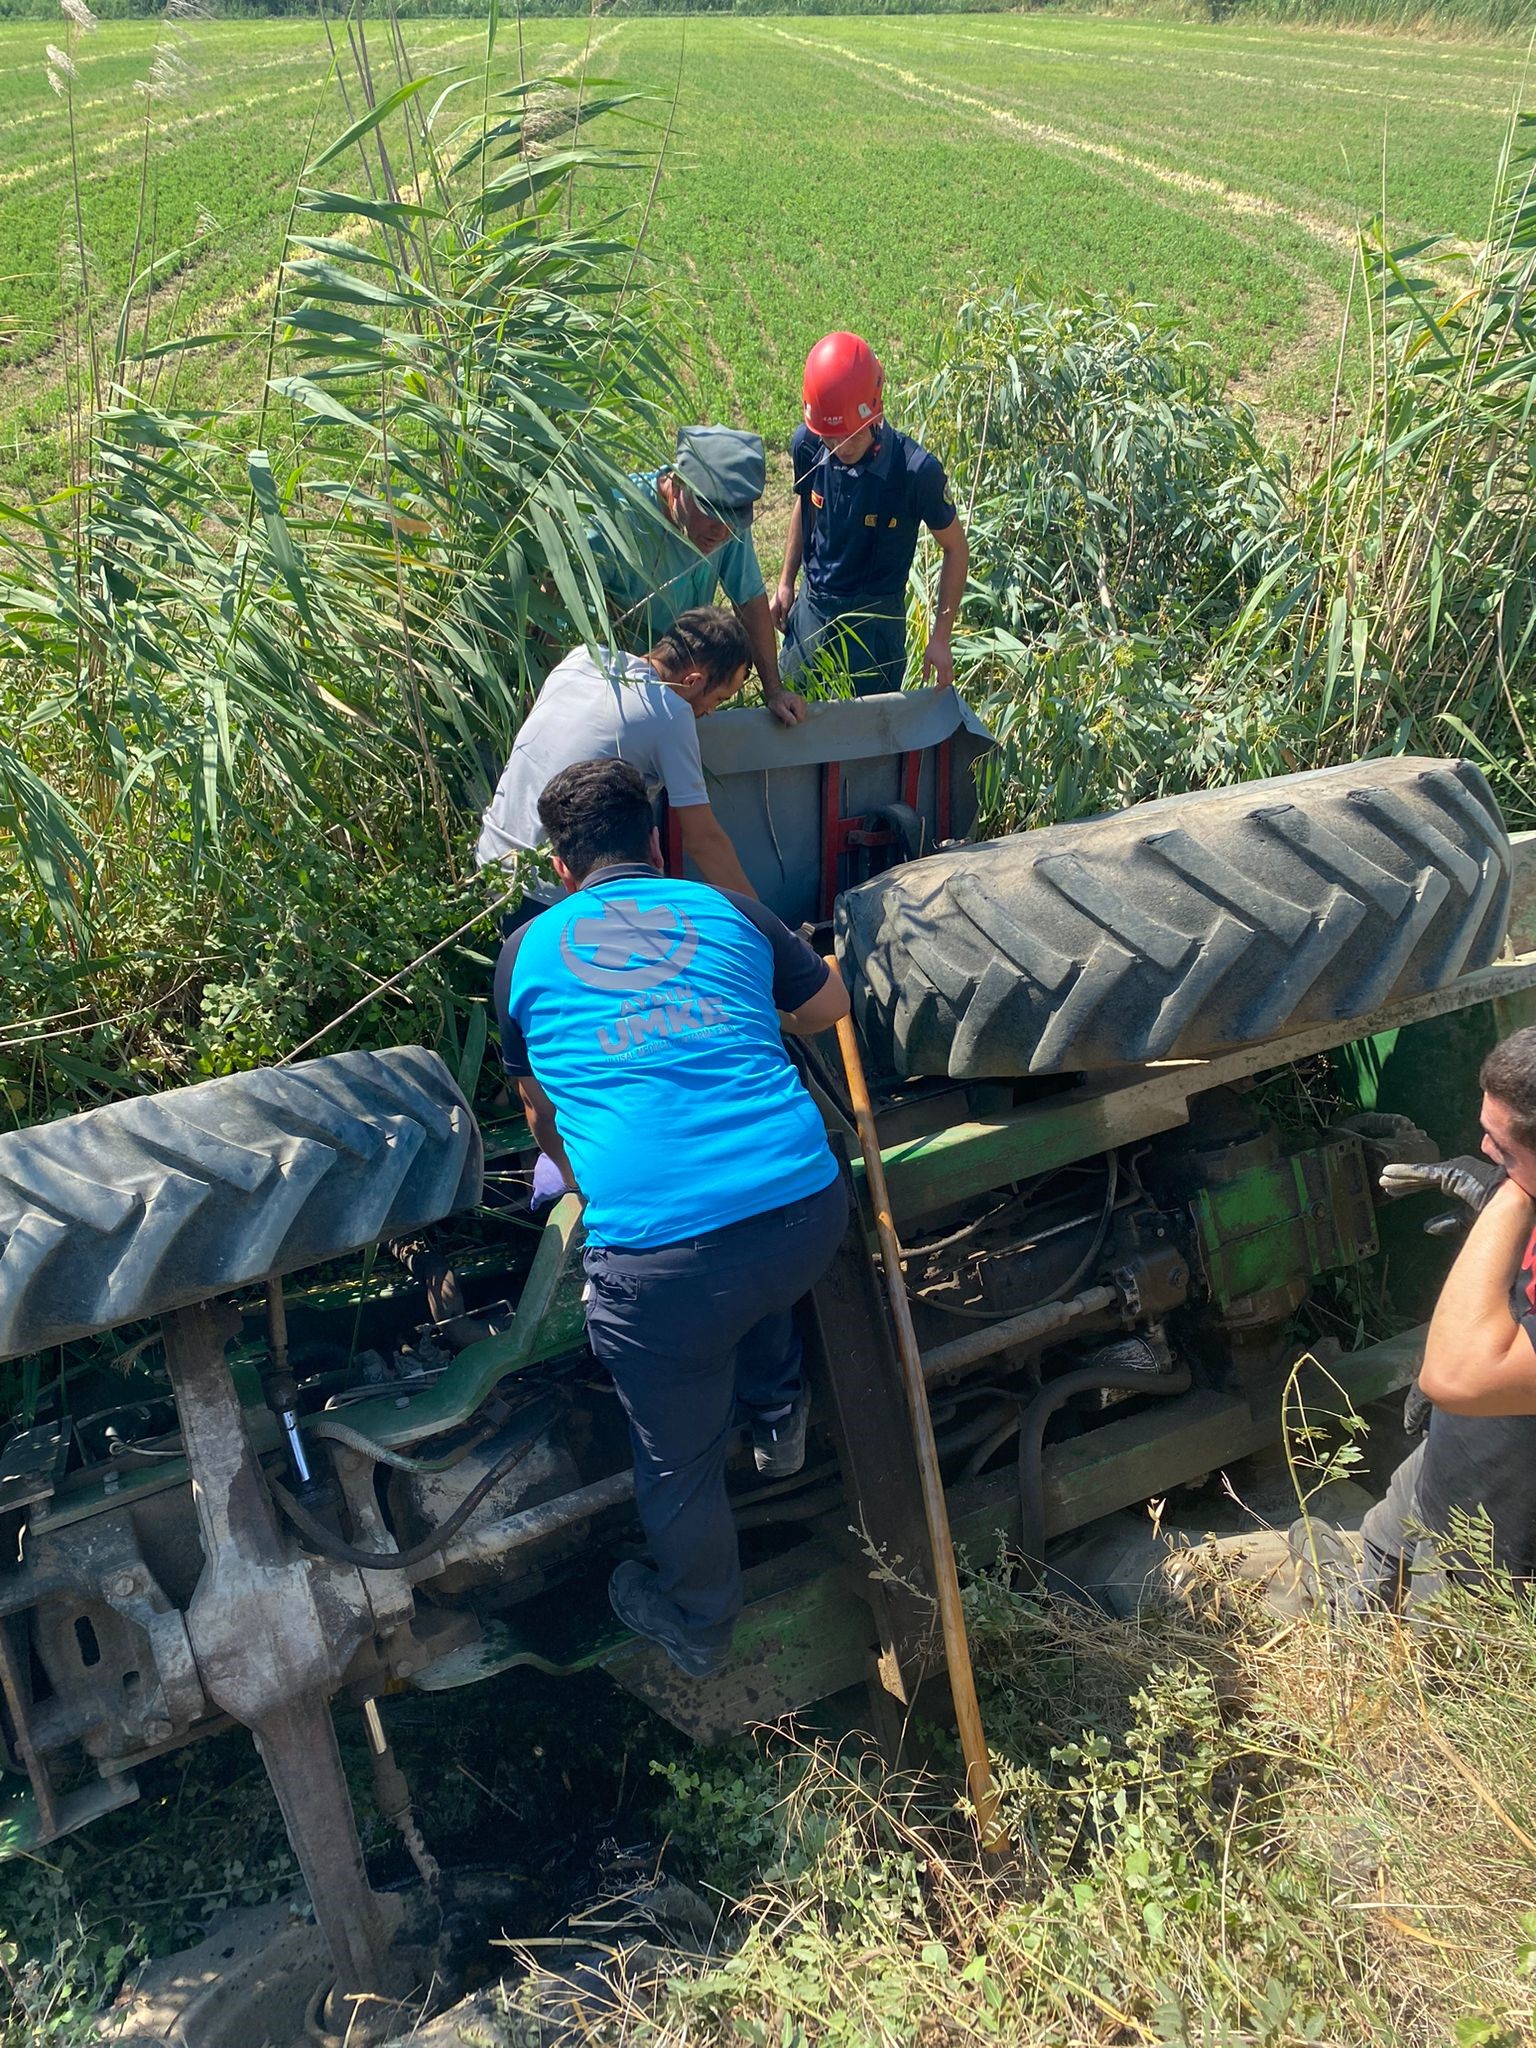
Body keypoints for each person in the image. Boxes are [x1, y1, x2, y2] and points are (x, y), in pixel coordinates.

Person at [494, 757, 851, 1677]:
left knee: (678, 1458)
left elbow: (539, 1110)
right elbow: (829, 1007)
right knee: (754, 1275)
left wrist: (586, 1179)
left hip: (662, 1268)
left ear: (561, 869)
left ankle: (699, 1626)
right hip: (806, 1212)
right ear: (656, 841)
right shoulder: (725, 908)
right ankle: (777, 1415)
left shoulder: (527, 953)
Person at [1322, 1028, 1536, 1606]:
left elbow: (1457, 1375)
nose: (1486, 1152)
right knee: (1364, 1583)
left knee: (1423, 1675)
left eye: (1502, 1146)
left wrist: (1508, 1200)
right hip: (1438, 1475)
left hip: (1492, 1554)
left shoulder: (1521, 1195)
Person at [475, 606, 758, 907]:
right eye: (718, 699)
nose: (711, 712)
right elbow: (703, 840)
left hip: (490, 865)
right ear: (693, 681)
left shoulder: (582, 659)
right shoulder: (669, 712)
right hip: (551, 895)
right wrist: (768, 929)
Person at [771, 331, 969, 699]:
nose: (838, 448)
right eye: (829, 439)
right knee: (793, 722)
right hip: (813, 610)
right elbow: (805, 505)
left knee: (866, 739)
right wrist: (785, 582)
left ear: (874, 410)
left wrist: (941, 639)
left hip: (875, 628)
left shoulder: (915, 472)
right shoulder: (809, 444)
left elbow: (956, 549)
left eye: (849, 437)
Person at [591, 425, 806, 729]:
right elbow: (562, 615)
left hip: (687, 689)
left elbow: (750, 600)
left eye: (733, 520)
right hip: (619, 691)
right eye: (711, 513)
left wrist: (774, 690)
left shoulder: (728, 525)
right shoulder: (615, 517)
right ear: (678, 485)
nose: (722, 531)